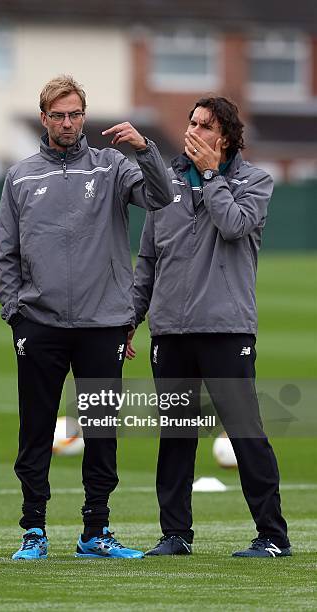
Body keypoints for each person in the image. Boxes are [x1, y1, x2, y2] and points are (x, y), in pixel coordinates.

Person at [0, 74, 172, 560]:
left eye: (75, 114)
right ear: (44, 117)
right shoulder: (22, 175)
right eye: (58, 115)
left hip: (102, 325)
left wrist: (145, 149)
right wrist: (15, 314)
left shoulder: (113, 166)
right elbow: (5, 254)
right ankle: (34, 530)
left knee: (101, 431)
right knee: (35, 429)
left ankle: (96, 531)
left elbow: (162, 197)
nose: (68, 123)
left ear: (84, 116)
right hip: (40, 326)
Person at [130, 96, 291, 558]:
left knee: (245, 432)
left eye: (206, 125)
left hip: (226, 330)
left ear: (226, 136)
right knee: (177, 435)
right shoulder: (165, 184)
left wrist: (213, 177)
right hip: (170, 332)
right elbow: (148, 259)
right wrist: (132, 319)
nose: (194, 131)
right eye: (192, 123)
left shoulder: (254, 182)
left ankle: (273, 536)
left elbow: (235, 225)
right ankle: (175, 534)